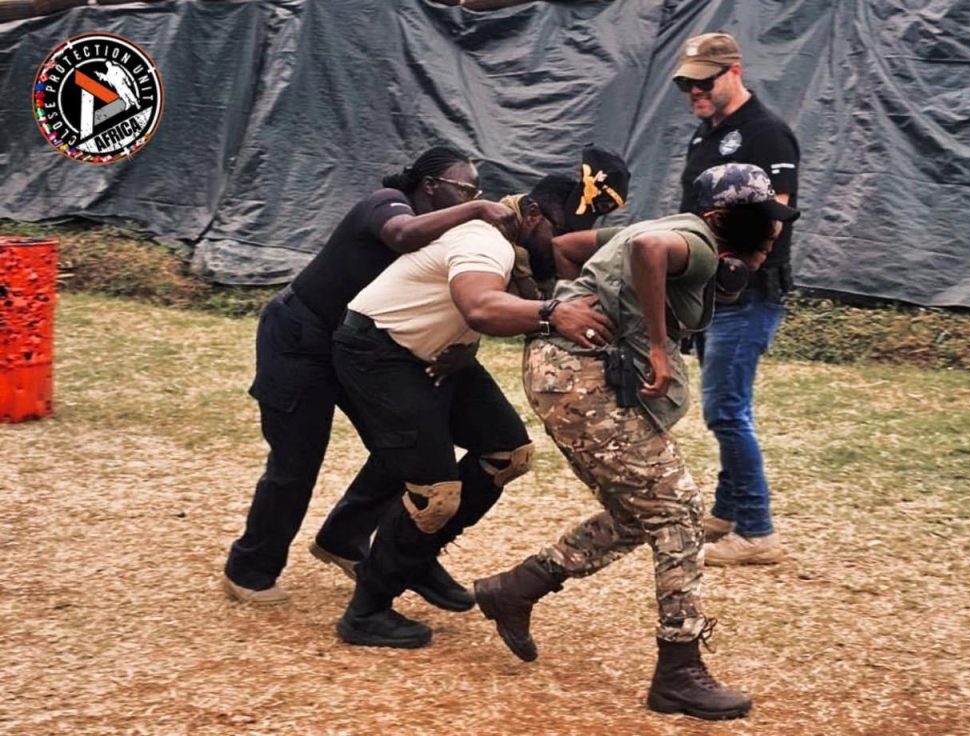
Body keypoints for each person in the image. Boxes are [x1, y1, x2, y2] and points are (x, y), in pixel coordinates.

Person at [473, 163, 800, 721]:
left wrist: (581, 303)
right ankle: (678, 670)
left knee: (638, 512)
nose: (772, 234)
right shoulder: (695, 243)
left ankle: (517, 587)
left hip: (561, 373)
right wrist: (649, 342)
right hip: (577, 379)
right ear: (723, 220)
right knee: (678, 512)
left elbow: (571, 247)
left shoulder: (678, 229)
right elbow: (648, 249)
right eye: (761, 223)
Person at [310, 144, 629, 591]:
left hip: (437, 349)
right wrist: (552, 312)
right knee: (434, 491)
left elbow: (478, 306)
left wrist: (470, 342)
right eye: (560, 233)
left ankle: (410, 557)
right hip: (379, 350)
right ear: (533, 215)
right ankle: (371, 601)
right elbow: (480, 304)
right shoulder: (487, 239)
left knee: (506, 454)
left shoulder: (519, 251)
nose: (562, 249)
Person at [223, 146, 517, 606]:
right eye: (463, 189)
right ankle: (250, 569)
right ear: (428, 186)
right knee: (296, 462)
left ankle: (345, 540)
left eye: (477, 193)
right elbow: (400, 235)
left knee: (403, 446)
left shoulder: (447, 239)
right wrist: (478, 209)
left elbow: (456, 297)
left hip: (360, 346)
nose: (473, 199)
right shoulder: (386, 205)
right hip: (301, 339)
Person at [674, 32, 800, 565]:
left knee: (726, 409)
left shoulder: (767, 133)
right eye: (687, 84)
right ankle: (727, 511)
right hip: (709, 293)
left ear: (735, 71)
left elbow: (774, 215)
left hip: (746, 294)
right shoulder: (706, 135)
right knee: (725, 405)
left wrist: (737, 272)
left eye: (705, 81)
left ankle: (757, 530)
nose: (695, 91)